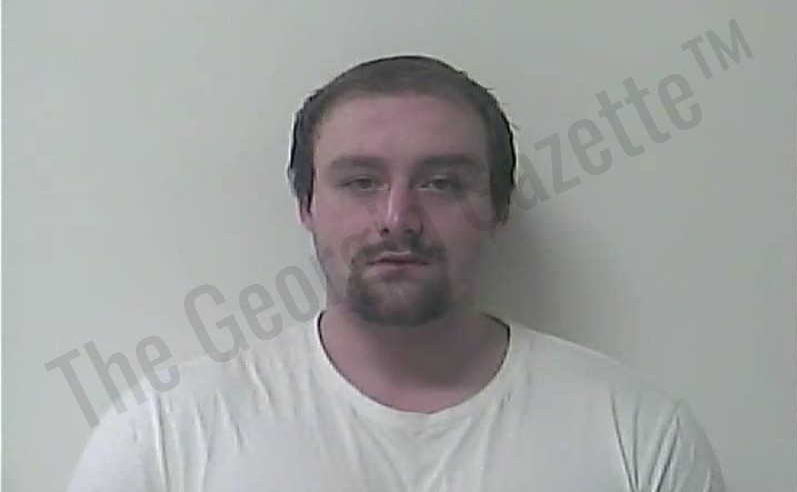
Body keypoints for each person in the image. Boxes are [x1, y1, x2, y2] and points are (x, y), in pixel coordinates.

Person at [67, 55, 726, 491]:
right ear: (306, 206)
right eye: (361, 181)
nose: (397, 218)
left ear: (497, 207)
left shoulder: (637, 433)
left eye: (442, 182)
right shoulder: (168, 431)